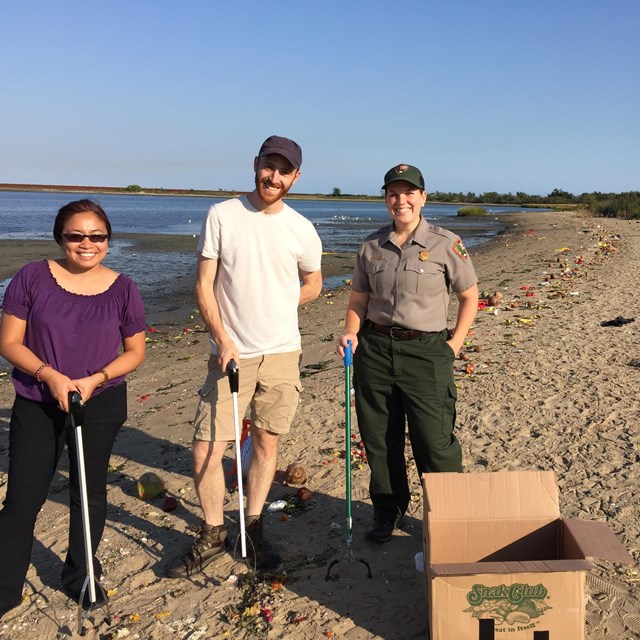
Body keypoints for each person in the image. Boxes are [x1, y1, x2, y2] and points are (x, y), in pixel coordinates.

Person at [167, 135, 323, 577]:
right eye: (268, 167)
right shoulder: (222, 215)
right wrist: (222, 336)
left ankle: (252, 528)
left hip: (281, 352)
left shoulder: (300, 228)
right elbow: (203, 284)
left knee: (267, 443)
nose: (274, 177)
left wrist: (279, 302)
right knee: (206, 449)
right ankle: (215, 531)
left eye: (284, 170)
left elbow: (314, 282)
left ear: (295, 177)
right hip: (229, 354)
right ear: (256, 165)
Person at [0, 199, 146, 618]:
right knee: (22, 499)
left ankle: (81, 575)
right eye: (76, 236)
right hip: (37, 402)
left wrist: (94, 379)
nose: (87, 244)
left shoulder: (124, 288)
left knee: (89, 493)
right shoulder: (32, 277)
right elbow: (9, 342)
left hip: (99, 402)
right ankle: (5, 587)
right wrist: (49, 374)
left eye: (97, 236)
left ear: (108, 240)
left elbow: (135, 352)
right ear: (60, 238)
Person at [337, 164, 478, 543]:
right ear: (386, 200)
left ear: (423, 197)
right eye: (393, 194)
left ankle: (447, 516)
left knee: (434, 440)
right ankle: (387, 511)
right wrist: (350, 332)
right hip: (376, 350)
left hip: (427, 352)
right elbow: (358, 300)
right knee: (380, 440)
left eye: (409, 193)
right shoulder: (370, 246)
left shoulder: (446, 243)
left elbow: (469, 296)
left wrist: (454, 345)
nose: (401, 200)